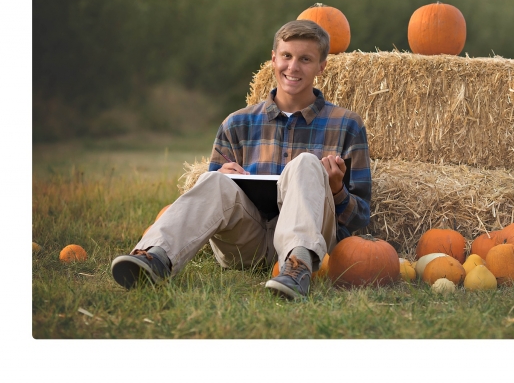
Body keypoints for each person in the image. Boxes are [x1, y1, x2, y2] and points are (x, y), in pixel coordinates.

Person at [110, 20, 372, 300]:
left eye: (305, 59)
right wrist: (223, 174)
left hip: (313, 247)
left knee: (306, 163)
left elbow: (360, 218)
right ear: (273, 59)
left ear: (322, 66)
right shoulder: (237, 123)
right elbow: (208, 205)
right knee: (213, 179)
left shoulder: (347, 125)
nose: (293, 67)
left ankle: (297, 269)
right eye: (286, 56)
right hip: (246, 243)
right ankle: (155, 257)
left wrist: (336, 190)